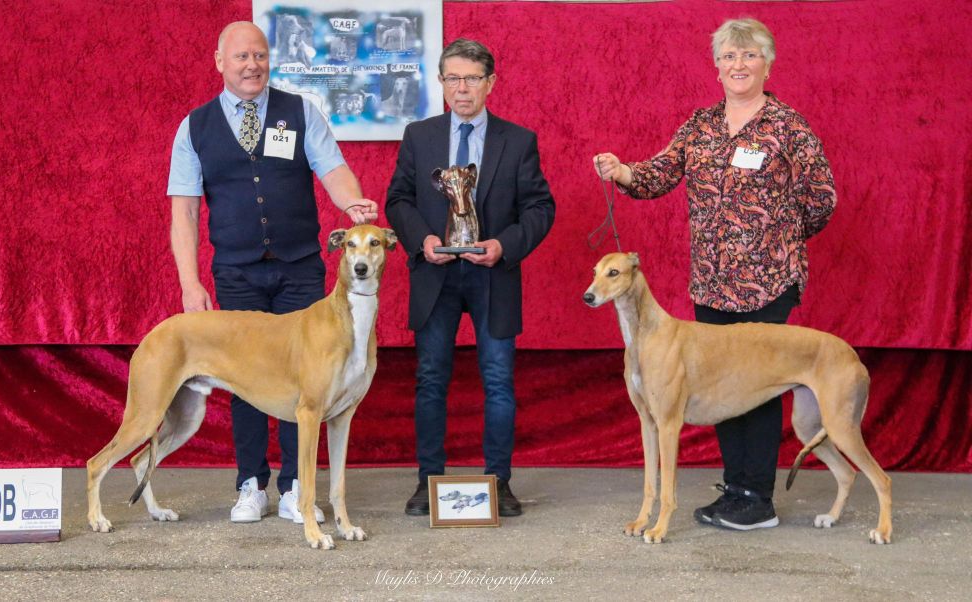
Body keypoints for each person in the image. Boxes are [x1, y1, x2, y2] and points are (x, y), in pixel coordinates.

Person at [593, 18, 836, 531]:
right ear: (717, 66)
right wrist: (623, 172)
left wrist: (778, 238)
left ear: (767, 63)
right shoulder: (700, 125)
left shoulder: (788, 126)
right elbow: (660, 173)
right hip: (712, 279)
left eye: (748, 56)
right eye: (729, 56)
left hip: (769, 278)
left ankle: (757, 499)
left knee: (760, 385)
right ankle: (736, 489)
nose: (738, 65)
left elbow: (822, 198)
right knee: (718, 385)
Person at [166, 21, 378, 525]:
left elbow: (333, 168)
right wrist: (189, 283)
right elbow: (185, 211)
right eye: (241, 57)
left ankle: (296, 486)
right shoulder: (193, 127)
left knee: (307, 378)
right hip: (237, 271)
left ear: (270, 60)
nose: (251, 65)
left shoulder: (300, 111)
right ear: (220, 62)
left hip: (300, 268)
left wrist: (352, 203)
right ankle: (249, 484)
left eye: (259, 56)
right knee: (243, 379)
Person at [386, 38, 556, 517]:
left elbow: (541, 208)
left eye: (473, 78)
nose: (463, 88)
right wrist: (423, 240)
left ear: (491, 83)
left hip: (493, 273)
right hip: (435, 274)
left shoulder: (518, 140)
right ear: (441, 83)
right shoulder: (419, 135)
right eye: (453, 78)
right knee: (431, 379)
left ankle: (499, 481)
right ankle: (428, 481)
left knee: (499, 381)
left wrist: (505, 245)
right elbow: (397, 200)